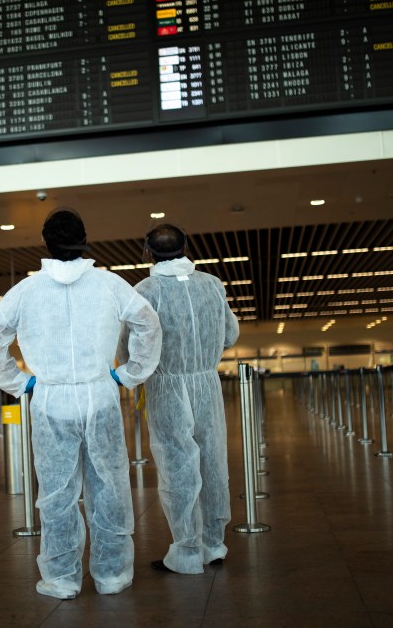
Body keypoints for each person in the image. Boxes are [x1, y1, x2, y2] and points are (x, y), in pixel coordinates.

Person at [0, 207, 162, 600]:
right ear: (84, 239)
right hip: (100, 394)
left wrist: (20, 382)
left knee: (57, 492)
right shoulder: (110, 284)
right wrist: (129, 373)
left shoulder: (25, 291)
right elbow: (148, 323)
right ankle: (112, 575)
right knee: (109, 486)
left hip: (50, 399)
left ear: (45, 243)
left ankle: (62, 578)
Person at [119, 223, 239, 575]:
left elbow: (129, 345)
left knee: (177, 466)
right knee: (213, 461)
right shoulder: (212, 285)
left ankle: (187, 551)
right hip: (206, 382)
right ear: (188, 248)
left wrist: (131, 371)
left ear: (147, 252)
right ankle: (214, 544)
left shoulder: (144, 290)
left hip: (165, 385)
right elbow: (230, 334)